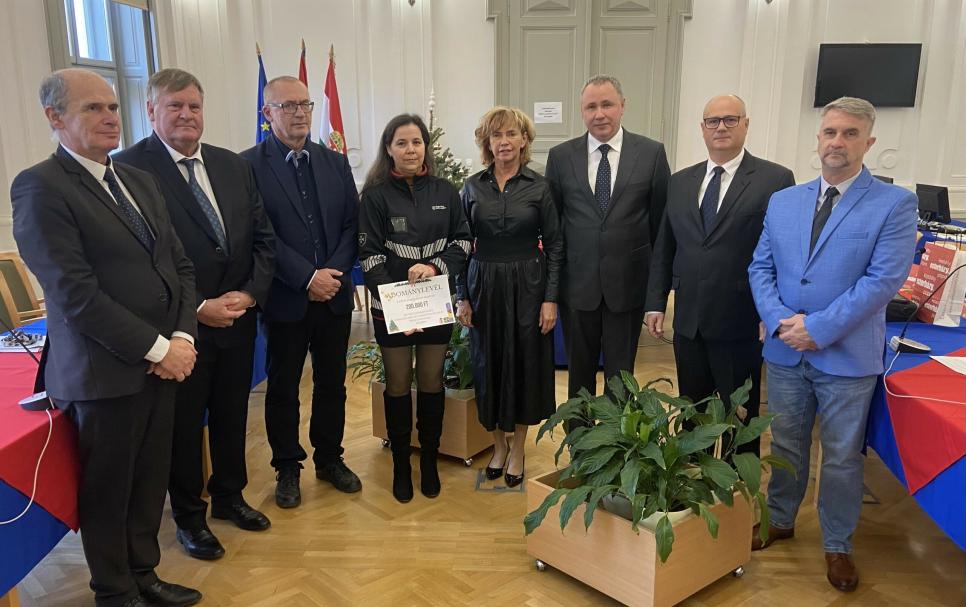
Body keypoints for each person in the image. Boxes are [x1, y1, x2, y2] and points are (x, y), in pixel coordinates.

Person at [11, 68, 201, 607]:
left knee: (149, 482)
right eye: (92, 108)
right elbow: (75, 294)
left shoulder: (138, 180)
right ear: (55, 117)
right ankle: (114, 591)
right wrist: (160, 349)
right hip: (104, 373)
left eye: (113, 107)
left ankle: (145, 574)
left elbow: (180, 267)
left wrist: (183, 337)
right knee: (110, 491)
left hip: (163, 364)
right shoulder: (40, 186)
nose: (109, 117)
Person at [748, 96, 918, 592]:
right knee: (786, 443)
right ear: (818, 138)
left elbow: (882, 281)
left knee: (842, 455)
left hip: (846, 356)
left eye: (849, 133)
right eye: (830, 132)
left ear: (869, 142)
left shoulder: (894, 203)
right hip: (785, 350)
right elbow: (761, 267)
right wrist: (781, 321)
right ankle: (780, 518)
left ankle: (838, 544)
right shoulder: (785, 201)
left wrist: (817, 329)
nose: (837, 142)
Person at [116, 68, 276, 560]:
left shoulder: (233, 165)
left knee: (232, 413)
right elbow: (139, 261)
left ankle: (230, 496)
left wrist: (249, 296)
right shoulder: (127, 169)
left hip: (238, 319)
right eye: (174, 105)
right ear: (151, 110)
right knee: (183, 428)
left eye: (194, 106)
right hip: (179, 331)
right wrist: (199, 307)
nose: (186, 115)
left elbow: (263, 239)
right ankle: (189, 516)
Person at [644, 95, 794, 456]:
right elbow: (665, 246)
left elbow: (784, 253)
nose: (721, 127)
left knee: (739, 418)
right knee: (692, 414)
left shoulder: (775, 179)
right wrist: (655, 302)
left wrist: (772, 311)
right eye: (713, 121)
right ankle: (694, 478)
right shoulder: (680, 182)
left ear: (746, 124)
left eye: (730, 119)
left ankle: (737, 486)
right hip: (689, 321)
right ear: (702, 128)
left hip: (741, 321)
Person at [240, 76, 360, 508]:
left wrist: (331, 275)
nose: (299, 113)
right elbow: (260, 234)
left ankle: (330, 458)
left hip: (334, 296)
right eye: (287, 106)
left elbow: (352, 225)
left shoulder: (335, 163)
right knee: (283, 387)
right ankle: (287, 466)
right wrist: (308, 278)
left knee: (332, 383)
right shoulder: (248, 167)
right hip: (285, 298)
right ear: (267, 113)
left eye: (304, 105)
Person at [358, 114, 472, 503]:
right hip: (391, 308)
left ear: (426, 147)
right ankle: (401, 464)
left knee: (431, 381)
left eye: (417, 142)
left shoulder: (446, 191)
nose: (411, 150)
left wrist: (435, 267)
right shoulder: (374, 196)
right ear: (389, 149)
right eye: (402, 143)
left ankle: (429, 460)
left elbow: (463, 242)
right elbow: (369, 257)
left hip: (434, 304)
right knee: (396, 384)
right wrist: (398, 309)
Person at [545, 74, 670, 398]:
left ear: (622, 106)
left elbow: (661, 228)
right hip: (577, 286)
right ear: (581, 111)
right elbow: (554, 228)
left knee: (621, 378)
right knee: (578, 378)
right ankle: (580, 432)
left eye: (607, 105)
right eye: (591, 107)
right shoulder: (560, 157)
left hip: (628, 286)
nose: (599, 114)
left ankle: (618, 431)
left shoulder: (651, 153)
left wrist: (656, 295)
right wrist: (552, 291)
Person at [456, 106, 562, 487]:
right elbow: (460, 245)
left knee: (524, 365)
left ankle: (518, 448)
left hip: (528, 286)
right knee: (488, 365)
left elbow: (556, 245)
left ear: (524, 140)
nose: (504, 141)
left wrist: (550, 299)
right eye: (496, 135)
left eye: (511, 134)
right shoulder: (471, 187)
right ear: (487, 142)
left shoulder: (540, 187)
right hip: (483, 285)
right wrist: (462, 296)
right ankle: (497, 446)